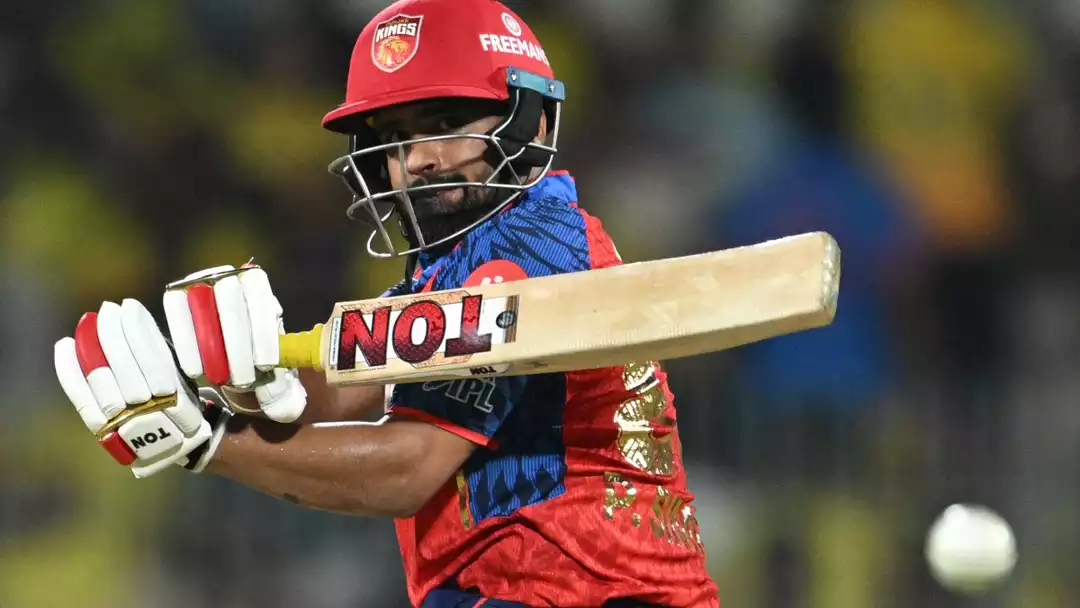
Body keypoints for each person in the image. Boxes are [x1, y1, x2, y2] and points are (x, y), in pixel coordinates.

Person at [52, 1, 720, 606]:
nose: (421, 158)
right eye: (396, 137)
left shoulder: (530, 248)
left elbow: (410, 466)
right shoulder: (455, 265)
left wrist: (210, 442)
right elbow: (329, 395)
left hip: (586, 593)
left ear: (531, 121)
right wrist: (238, 387)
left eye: (447, 123)